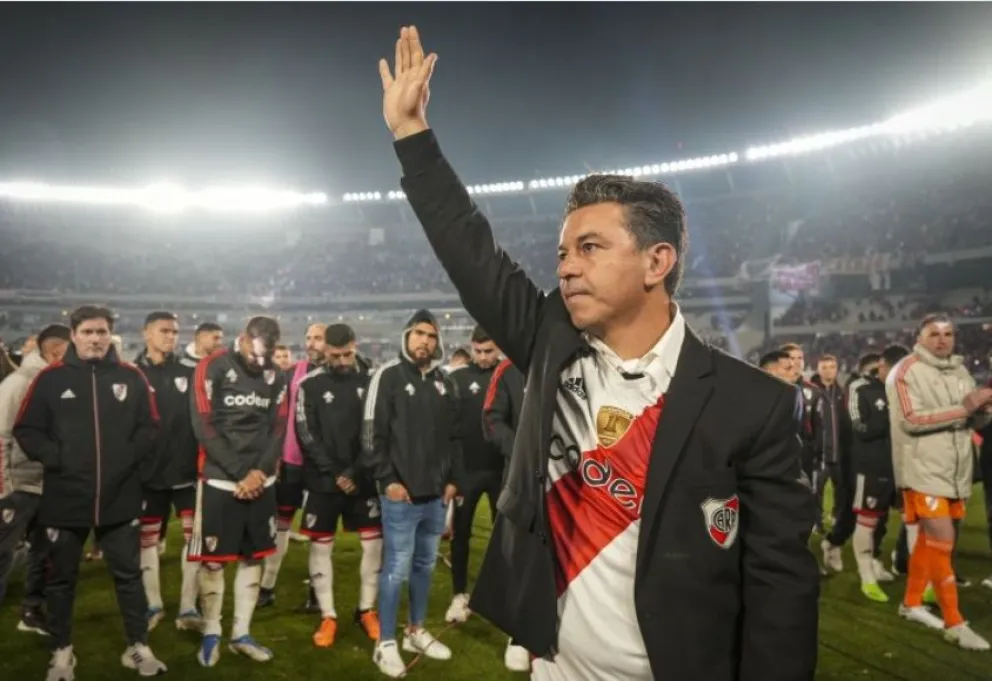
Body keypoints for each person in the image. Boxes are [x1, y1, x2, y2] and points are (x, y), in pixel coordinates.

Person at [378, 25, 819, 680]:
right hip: (555, 667)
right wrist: (413, 137)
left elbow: (781, 588)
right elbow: (470, 251)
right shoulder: (552, 342)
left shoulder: (750, 405)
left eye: (590, 247)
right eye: (562, 252)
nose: (567, 268)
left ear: (656, 261)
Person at [13, 305, 166, 679]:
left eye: (101, 332)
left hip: (120, 496)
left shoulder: (131, 376)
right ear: (74, 334)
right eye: (87, 332)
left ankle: (138, 646)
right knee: (61, 580)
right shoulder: (50, 379)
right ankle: (62, 651)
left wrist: (126, 459)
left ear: (110, 334)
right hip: (65, 498)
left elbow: (150, 427)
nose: (95, 339)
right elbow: (27, 429)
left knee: (129, 577)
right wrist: (58, 457)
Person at [363, 309, 464, 677]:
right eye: (419, 333)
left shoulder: (445, 382)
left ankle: (415, 631)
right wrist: (387, 480)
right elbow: (372, 435)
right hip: (401, 496)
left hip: (436, 495)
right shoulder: (387, 376)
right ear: (406, 336)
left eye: (432, 335)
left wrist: (454, 479)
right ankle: (385, 642)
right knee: (395, 570)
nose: (425, 341)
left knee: (425, 565)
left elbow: (455, 438)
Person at [186, 316, 289, 667]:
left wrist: (259, 472)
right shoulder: (210, 367)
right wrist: (241, 472)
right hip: (220, 480)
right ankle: (211, 631)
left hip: (262, 480)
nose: (261, 363)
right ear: (244, 339)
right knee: (213, 560)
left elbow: (278, 428)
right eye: (256, 353)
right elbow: (204, 425)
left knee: (254, 557)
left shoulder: (277, 374)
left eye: (267, 356)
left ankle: (241, 633)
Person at [888, 314, 992, 649]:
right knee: (943, 541)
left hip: (954, 470)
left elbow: (972, 418)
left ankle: (912, 602)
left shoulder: (959, 371)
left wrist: (983, 411)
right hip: (923, 469)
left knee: (929, 543)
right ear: (919, 337)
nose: (942, 339)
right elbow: (912, 419)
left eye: (948, 334)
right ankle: (954, 622)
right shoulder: (906, 370)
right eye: (934, 334)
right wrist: (966, 407)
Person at [295, 323, 382, 647]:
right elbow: (306, 435)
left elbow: (376, 431)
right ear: (325, 351)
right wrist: (335, 473)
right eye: (336, 355)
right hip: (324, 481)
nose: (343, 361)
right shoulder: (309, 385)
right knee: (321, 546)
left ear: (354, 346)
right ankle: (328, 615)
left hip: (362, 478)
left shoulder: (372, 380)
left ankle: (365, 610)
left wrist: (355, 471)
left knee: (373, 546)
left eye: (347, 354)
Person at [133, 311, 202, 632]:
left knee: (194, 539)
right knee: (147, 542)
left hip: (187, 472)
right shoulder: (130, 373)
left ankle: (189, 605)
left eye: (175, 331)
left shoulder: (191, 371)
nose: (171, 337)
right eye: (164, 331)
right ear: (147, 333)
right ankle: (152, 603)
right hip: (146, 475)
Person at [0, 324, 70, 633]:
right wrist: (3, 483)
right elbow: (1, 434)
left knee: (42, 552)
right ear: (57, 352)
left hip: (48, 482)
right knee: (3, 549)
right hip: (18, 483)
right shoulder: (19, 383)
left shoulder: (58, 382)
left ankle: (30, 611)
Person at [259, 323, 326, 608]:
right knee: (282, 525)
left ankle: (316, 592)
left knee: (318, 533)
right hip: (290, 462)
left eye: (318, 338)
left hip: (321, 467)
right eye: (308, 337)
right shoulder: (291, 373)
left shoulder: (340, 376)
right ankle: (267, 586)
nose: (311, 343)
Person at [444, 325, 504, 625]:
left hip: (501, 470)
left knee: (504, 536)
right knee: (461, 534)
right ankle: (458, 594)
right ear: (471, 348)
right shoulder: (457, 379)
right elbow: (448, 428)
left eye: (489, 351)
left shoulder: (511, 376)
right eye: (478, 351)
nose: (483, 357)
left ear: (498, 348)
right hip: (467, 471)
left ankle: (502, 594)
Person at [480, 356, 530, 673]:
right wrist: (525, 449)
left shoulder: (576, 358)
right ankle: (519, 634)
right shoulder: (508, 368)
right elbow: (490, 420)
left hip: (572, 479)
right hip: (522, 479)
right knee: (521, 556)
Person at [846, 346, 908, 602]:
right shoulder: (860, 388)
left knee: (911, 521)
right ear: (881, 366)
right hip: (874, 466)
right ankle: (866, 578)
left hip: (904, 467)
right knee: (868, 520)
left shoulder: (907, 388)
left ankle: (890, 565)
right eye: (887, 369)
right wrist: (891, 416)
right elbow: (859, 427)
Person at [782, 342, 824, 486]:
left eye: (800, 358)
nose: (797, 362)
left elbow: (818, 426)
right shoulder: (772, 387)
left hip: (805, 454)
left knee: (805, 495)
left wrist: (817, 454)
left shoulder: (814, 391)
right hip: (780, 453)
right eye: (792, 358)